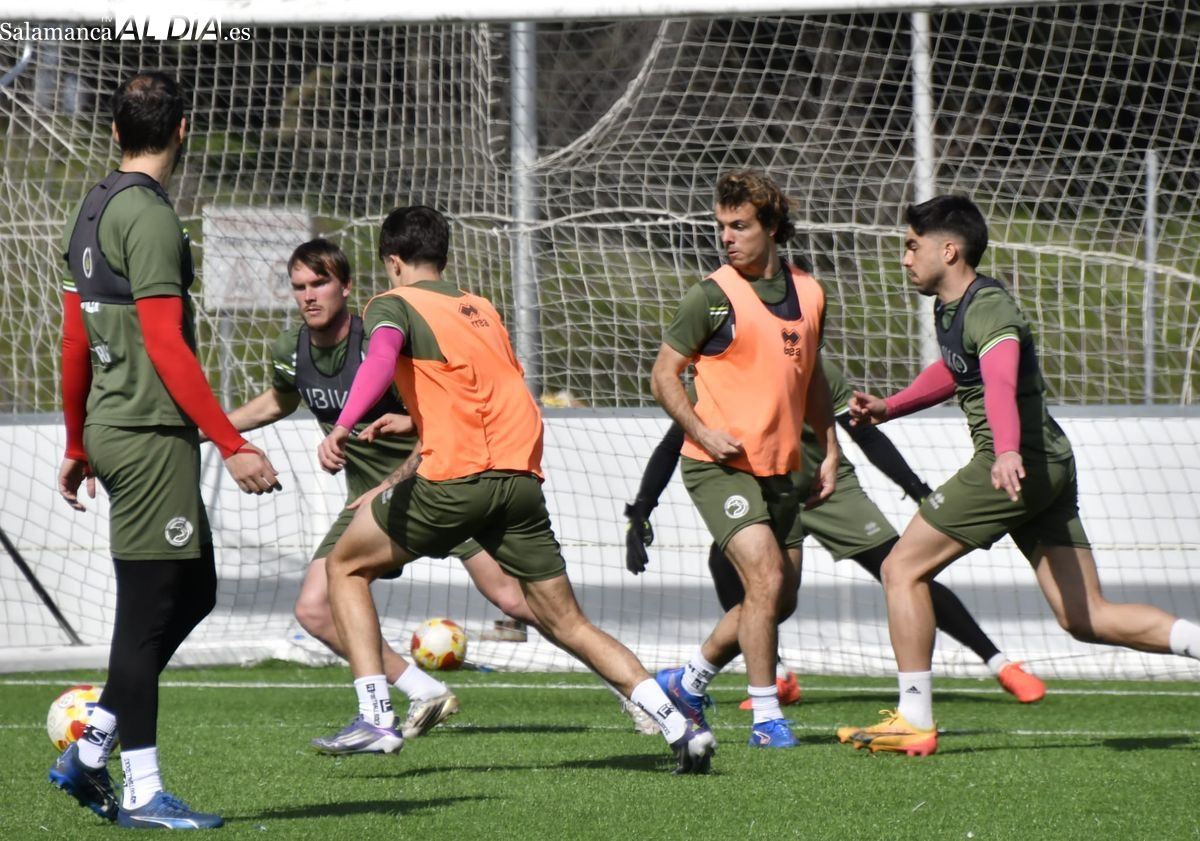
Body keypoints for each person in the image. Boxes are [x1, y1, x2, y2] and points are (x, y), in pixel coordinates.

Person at [313, 205, 715, 773]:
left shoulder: (392, 304)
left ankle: (377, 717)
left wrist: (345, 423)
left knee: (345, 568)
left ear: (394, 262)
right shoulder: (480, 308)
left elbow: (379, 359)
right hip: (520, 482)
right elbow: (492, 388)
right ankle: (679, 726)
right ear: (445, 259)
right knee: (567, 622)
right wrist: (415, 419)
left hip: (456, 480)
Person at [836, 195, 1200, 756]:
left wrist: (1005, 452)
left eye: (912, 247)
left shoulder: (990, 307)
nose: (905, 259)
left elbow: (1001, 380)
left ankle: (913, 718)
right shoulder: (952, 308)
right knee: (1085, 617)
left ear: (948, 249)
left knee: (901, 568)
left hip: (1015, 464)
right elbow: (957, 368)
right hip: (1046, 463)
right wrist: (891, 406)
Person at [50, 71, 281, 830]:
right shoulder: (149, 218)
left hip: (121, 432)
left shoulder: (92, 208)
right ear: (182, 130)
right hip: (149, 439)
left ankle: (92, 746)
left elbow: (75, 339)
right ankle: (142, 789)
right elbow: (163, 343)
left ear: (115, 131)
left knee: (196, 590)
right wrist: (232, 442)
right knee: (147, 618)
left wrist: (79, 440)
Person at [224, 237, 546, 747]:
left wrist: (397, 449)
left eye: (320, 284)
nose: (309, 296)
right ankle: (423, 691)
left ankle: (631, 691)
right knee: (314, 610)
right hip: (368, 503)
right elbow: (279, 400)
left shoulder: (382, 340)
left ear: (346, 287)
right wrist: (209, 429)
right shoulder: (291, 349)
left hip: (435, 484)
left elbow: (440, 418)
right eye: (299, 287)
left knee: (514, 597)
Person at [625, 356, 1046, 717]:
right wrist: (642, 509)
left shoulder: (814, 366)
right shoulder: (722, 374)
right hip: (765, 490)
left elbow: (864, 434)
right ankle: (775, 675)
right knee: (725, 564)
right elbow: (674, 442)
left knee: (900, 569)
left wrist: (916, 488)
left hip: (828, 488)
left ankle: (1001, 664)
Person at [648, 169, 839, 749]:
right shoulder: (710, 296)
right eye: (721, 226)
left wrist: (829, 450)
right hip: (716, 465)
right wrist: (702, 430)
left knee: (781, 596)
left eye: (740, 226)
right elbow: (663, 375)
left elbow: (812, 384)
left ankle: (689, 682)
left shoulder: (811, 292)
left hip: (783, 466)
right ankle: (766, 718)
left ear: (773, 227)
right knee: (766, 577)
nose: (726, 237)